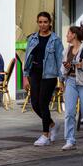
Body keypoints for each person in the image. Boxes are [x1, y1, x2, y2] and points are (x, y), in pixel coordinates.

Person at [23, 12, 64, 147]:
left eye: (45, 22)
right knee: (34, 104)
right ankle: (52, 124)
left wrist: (61, 79)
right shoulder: (32, 38)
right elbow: (28, 57)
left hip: (49, 75)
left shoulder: (55, 40)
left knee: (43, 103)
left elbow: (60, 60)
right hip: (34, 73)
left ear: (50, 23)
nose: (42, 25)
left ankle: (45, 134)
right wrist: (25, 77)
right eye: (40, 22)